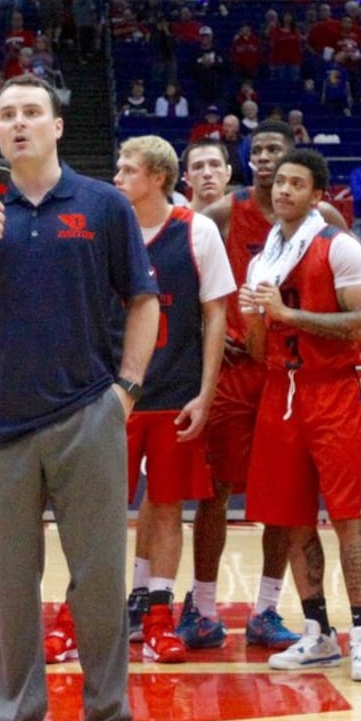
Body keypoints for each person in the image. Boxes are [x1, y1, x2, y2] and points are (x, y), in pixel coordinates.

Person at [0, 74, 159, 721]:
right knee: (13, 590)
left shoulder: (103, 205)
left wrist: (124, 390)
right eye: (6, 116)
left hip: (88, 415)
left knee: (98, 582)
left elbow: (143, 300)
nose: (19, 124)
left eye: (31, 113)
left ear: (57, 126)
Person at [197, 129, 343, 653]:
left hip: (288, 371)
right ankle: (203, 607)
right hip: (236, 368)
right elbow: (183, 271)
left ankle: (265, 608)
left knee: (285, 500)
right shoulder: (221, 213)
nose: (263, 160)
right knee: (214, 493)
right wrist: (205, 334)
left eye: (273, 152)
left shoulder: (327, 227)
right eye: (256, 152)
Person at [238, 149, 361, 679]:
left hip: (330, 389)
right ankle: (318, 632)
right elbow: (258, 348)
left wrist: (285, 312)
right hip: (281, 389)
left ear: (317, 195)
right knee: (293, 519)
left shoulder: (338, 245)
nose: (283, 191)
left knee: (346, 516)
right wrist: (255, 320)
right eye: (279, 183)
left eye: (297, 184)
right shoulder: (263, 260)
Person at [113, 135, 234, 665]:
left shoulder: (198, 229)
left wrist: (206, 394)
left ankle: (159, 613)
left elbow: (216, 316)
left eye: (128, 170)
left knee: (165, 509)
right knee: (98, 510)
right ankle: (90, 610)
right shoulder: (109, 230)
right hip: (118, 398)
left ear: (157, 178)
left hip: (175, 394)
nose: (117, 178)